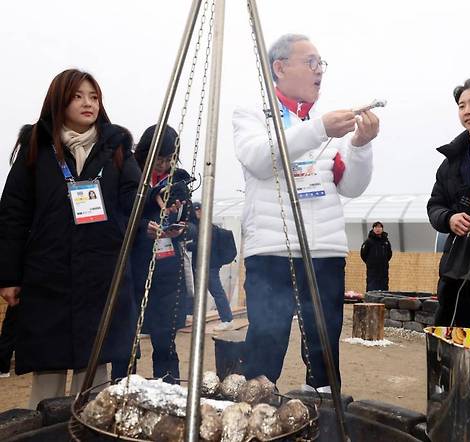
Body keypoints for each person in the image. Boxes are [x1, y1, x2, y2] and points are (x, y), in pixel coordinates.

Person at [233, 33, 379, 391]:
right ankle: (257, 415)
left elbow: (350, 186)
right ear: (279, 68)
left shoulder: (325, 125)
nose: (319, 71)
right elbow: (259, 160)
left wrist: (360, 145)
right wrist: (317, 130)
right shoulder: (254, 115)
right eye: (310, 62)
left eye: (321, 64)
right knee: (266, 343)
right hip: (272, 252)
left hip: (324, 253)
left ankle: (324, 414)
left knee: (324, 347)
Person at [0, 69, 140, 408]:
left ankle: (90, 430)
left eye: (93, 97)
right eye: (78, 96)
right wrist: (9, 276)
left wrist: (113, 234)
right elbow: (13, 214)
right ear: (59, 100)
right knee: (47, 372)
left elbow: (134, 201)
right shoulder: (37, 145)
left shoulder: (116, 147)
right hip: (48, 274)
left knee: (94, 374)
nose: (88, 103)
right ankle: (43, 429)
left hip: (100, 273)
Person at [427, 79, 470, 328]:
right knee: (450, 337)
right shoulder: (450, 162)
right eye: (461, 105)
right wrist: (449, 218)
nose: (467, 110)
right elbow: (434, 206)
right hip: (455, 266)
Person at [131, 124, 192, 383]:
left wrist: (183, 226)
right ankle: (124, 386)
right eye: (159, 158)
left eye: (169, 159)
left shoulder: (178, 179)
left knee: (165, 336)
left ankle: (169, 385)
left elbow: (191, 218)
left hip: (167, 266)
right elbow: (124, 215)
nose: (164, 164)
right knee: (128, 336)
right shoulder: (131, 175)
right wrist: (145, 224)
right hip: (136, 264)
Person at [187, 201, 237, 332]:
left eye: (199, 210)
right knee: (206, 292)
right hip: (206, 264)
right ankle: (223, 319)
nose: (198, 212)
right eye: (196, 210)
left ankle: (227, 319)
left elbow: (203, 246)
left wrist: (187, 245)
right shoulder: (200, 225)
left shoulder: (206, 227)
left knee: (216, 291)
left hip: (209, 265)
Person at [359, 221, 392, 291]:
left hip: (383, 269)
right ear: (373, 229)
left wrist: (384, 261)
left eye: (380, 227)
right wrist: (370, 262)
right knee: (372, 286)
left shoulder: (386, 242)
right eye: (376, 227)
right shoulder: (368, 242)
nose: (378, 229)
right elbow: (363, 254)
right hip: (372, 270)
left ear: (382, 229)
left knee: (384, 286)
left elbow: (389, 254)